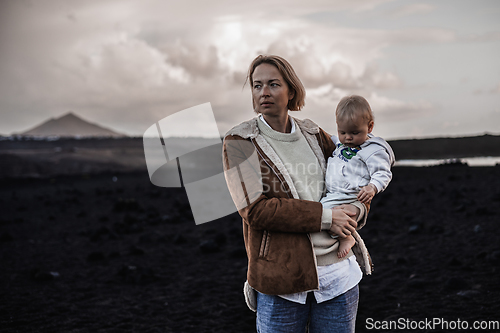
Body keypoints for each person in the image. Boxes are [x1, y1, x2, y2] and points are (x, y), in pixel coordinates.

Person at [222, 55, 373, 333]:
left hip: (339, 278)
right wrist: (326, 218)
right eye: (257, 86)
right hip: (281, 284)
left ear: (291, 91)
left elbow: (353, 175)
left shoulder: (314, 133)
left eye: (273, 84)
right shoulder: (239, 142)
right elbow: (254, 210)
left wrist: (357, 211)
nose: (264, 92)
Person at [321, 95, 395, 259]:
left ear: (370, 127)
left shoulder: (373, 150)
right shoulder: (340, 142)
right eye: (342, 132)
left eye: (355, 132)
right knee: (325, 213)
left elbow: (383, 172)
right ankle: (344, 235)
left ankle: (346, 238)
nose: (348, 137)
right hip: (336, 193)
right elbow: (325, 137)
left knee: (322, 213)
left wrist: (372, 187)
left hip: (352, 195)